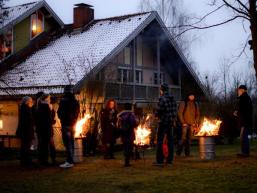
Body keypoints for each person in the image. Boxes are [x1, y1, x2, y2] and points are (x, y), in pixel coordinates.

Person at [154, 83, 177, 166]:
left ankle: (159, 161)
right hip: (170, 122)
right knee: (170, 141)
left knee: (160, 141)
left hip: (163, 122)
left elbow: (159, 110)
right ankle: (169, 161)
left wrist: (156, 115)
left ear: (161, 90)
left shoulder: (162, 98)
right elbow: (175, 111)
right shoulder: (173, 98)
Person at [58, 86, 80, 168]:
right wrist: (74, 120)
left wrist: (62, 119)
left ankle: (69, 161)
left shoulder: (63, 101)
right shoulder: (75, 101)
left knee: (67, 144)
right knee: (71, 143)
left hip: (66, 124)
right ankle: (71, 160)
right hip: (73, 125)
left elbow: (60, 112)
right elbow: (77, 113)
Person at [234, 85, 253, 157]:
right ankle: (245, 152)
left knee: (243, 136)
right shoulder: (247, 98)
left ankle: (245, 153)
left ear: (242, 90)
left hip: (245, 121)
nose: (238, 92)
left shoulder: (243, 98)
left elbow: (244, 110)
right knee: (243, 136)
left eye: (238, 90)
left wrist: (237, 113)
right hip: (246, 121)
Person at [16, 96, 34, 167]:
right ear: (27, 102)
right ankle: (26, 162)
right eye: (30, 101)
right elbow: (28, 121)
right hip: (27, 131)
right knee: (26, 147)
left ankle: (24, 161)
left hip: (24, 131)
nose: (31, 102)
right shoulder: (26, 109)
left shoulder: (23, 108)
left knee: (24, 146)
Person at [36, 94, 52, 166]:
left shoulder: (38, 106)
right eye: (49, 98)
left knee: (41, 145)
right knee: (45, 145)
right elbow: (48, 119)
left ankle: (41, 160)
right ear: (46, 99)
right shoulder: (46, 106)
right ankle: (45, 161)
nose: (50, 99)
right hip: (46, 129)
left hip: (40, 129)